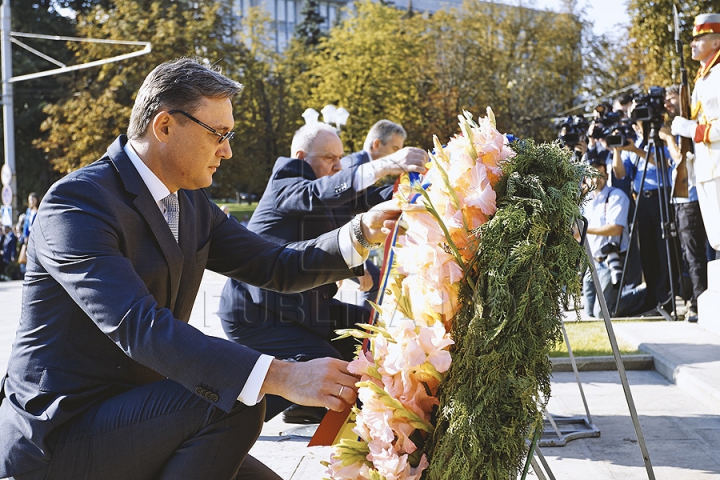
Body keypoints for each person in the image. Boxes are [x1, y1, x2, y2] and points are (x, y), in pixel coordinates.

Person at [0, 57, 403, 480]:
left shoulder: (190, 202)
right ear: (165, 126)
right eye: (218, 134)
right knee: (236, 399)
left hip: (143, 415)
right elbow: (140, 326)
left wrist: (361, 231)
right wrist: (283, 375)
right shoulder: (78, 203)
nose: (227, 150)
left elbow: (276, 264)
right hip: (57, 437)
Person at [217, 122, 427, 424]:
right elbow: (318, 193)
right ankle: (216, 420)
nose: (339, 166)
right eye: (330, 158)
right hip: (258, 314)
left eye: (341, 158)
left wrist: (423, 188)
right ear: (302, 157)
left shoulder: (328, 187)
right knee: (327, 370)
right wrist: (388, 163)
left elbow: (372, 198)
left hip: (303, 308)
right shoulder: (286, 180)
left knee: (376, 332)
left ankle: (307, 407)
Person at [613, 116, 677, 314]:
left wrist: (634, 150)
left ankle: (666, 298)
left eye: (641, 122)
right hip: (641, 199)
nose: (638, 126)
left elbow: (662, 163)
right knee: (647, 251)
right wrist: (617, 148)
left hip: (661, 196)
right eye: (636, 123)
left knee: (663, 247)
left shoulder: (659, 140)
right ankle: (652, 298)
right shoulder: (635, 144)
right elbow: (620, 173)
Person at [671, 13, 720, 253]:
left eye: (700, 39)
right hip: (706, 168)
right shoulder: (702, 79)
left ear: (716, 43)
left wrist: (691, 129)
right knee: (716, 236)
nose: (692, 44)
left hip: (718, 167)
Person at [662, 85, 708, 322]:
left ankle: (699, 302)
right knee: (688, 254)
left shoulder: (689, 124)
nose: (667, 105)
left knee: (694, 253)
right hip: (681, 198)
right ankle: (694, 298)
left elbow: (680, 157)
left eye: (671, 99)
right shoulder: (679, 124)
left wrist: (669, 138)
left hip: (691, 197)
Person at [582, 160, 645, 318]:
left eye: (600, 174)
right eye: (592, 175)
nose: (596, 179)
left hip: (609, 261)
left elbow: (616, 228)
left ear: (607, 175)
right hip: (592, 263)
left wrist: (584, 231)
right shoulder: (586, 201)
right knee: (589, 311)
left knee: (601, 313)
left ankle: (645, 294)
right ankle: (622, 297)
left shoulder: (616, 195)